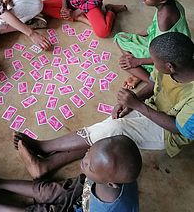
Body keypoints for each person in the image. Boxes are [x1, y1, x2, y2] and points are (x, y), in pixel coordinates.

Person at [12, 32, 194, 179]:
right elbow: (154, 84)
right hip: (153, 107)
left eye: (155, 62)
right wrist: (130, 102)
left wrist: (137, 105)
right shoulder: (170, 65)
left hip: (168, 133)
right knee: (107, 130)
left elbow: (179, 128)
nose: (151, 64)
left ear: (170, 66)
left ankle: (44, 148)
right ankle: (45, 165)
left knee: (114, 128)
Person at [0, 135, 142, 211]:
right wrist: (90, 174)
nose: (83, 160)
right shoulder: (111, 175)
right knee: (47, 191)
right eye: (88, 152)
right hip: (85, 191)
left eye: (89, 165)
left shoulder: (115, 209)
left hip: (84, 207)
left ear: (111, 184)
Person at [114, 0, 191, 89]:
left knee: (126, 63)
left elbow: (164, 57)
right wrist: (136, 36)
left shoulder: (165, 19)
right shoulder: (171, 3)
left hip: (168, 56)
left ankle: (151, 80)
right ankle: (137, 66)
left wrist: (138, 61)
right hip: (159, 44)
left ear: (162, 0)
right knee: (120, 37)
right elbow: (152, 28)